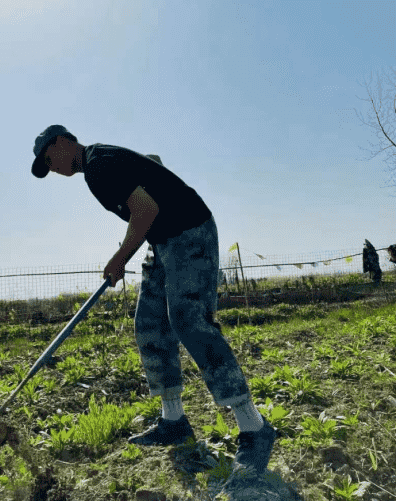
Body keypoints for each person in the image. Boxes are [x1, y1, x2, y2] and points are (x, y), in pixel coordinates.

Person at [31, 124, 277, 477]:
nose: (52, 168)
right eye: (46, 167)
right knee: (150, 323)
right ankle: (173, 421)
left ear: (62, 142)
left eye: (48, 159)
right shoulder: (99, 165)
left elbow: (145, 210)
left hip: (189, 230)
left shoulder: (98, 163)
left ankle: (254, 426)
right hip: (163, 242)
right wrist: (130, 247)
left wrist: (120, 259)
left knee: (189, 320)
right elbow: (152, 169)